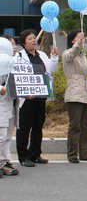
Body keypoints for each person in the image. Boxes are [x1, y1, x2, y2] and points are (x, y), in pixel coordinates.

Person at [16, 29, 58, 167]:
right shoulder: (19, 57)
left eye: (34, 38)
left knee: (38, 127)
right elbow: (17, 78)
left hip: (41, 96)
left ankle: (35, 154)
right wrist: (25, 93)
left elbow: (51, 70)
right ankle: (23, 156)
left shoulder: (41, 55)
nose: (34, 40)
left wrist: (54, 57)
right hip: (27, 98)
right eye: (30, 39)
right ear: (23, 42)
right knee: (24, 128)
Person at [62, 29, 87, 163]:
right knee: (75, 125)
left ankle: (85, 153)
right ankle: (72, 154)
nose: (81, 40)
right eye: (78, 38)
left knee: (85, 125)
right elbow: (72, 53)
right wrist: (78, 44)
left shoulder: (83, 55)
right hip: (74, 93)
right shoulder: (67, 53)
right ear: (72, 41)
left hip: (85, 93)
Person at [0, 35, 19, 177]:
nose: (14, 47)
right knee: (0, 136)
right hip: (1, 105)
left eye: (13, 44)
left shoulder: (14, 63)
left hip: (11, 104)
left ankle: (4, 162)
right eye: (11, 44)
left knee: (7, 136)